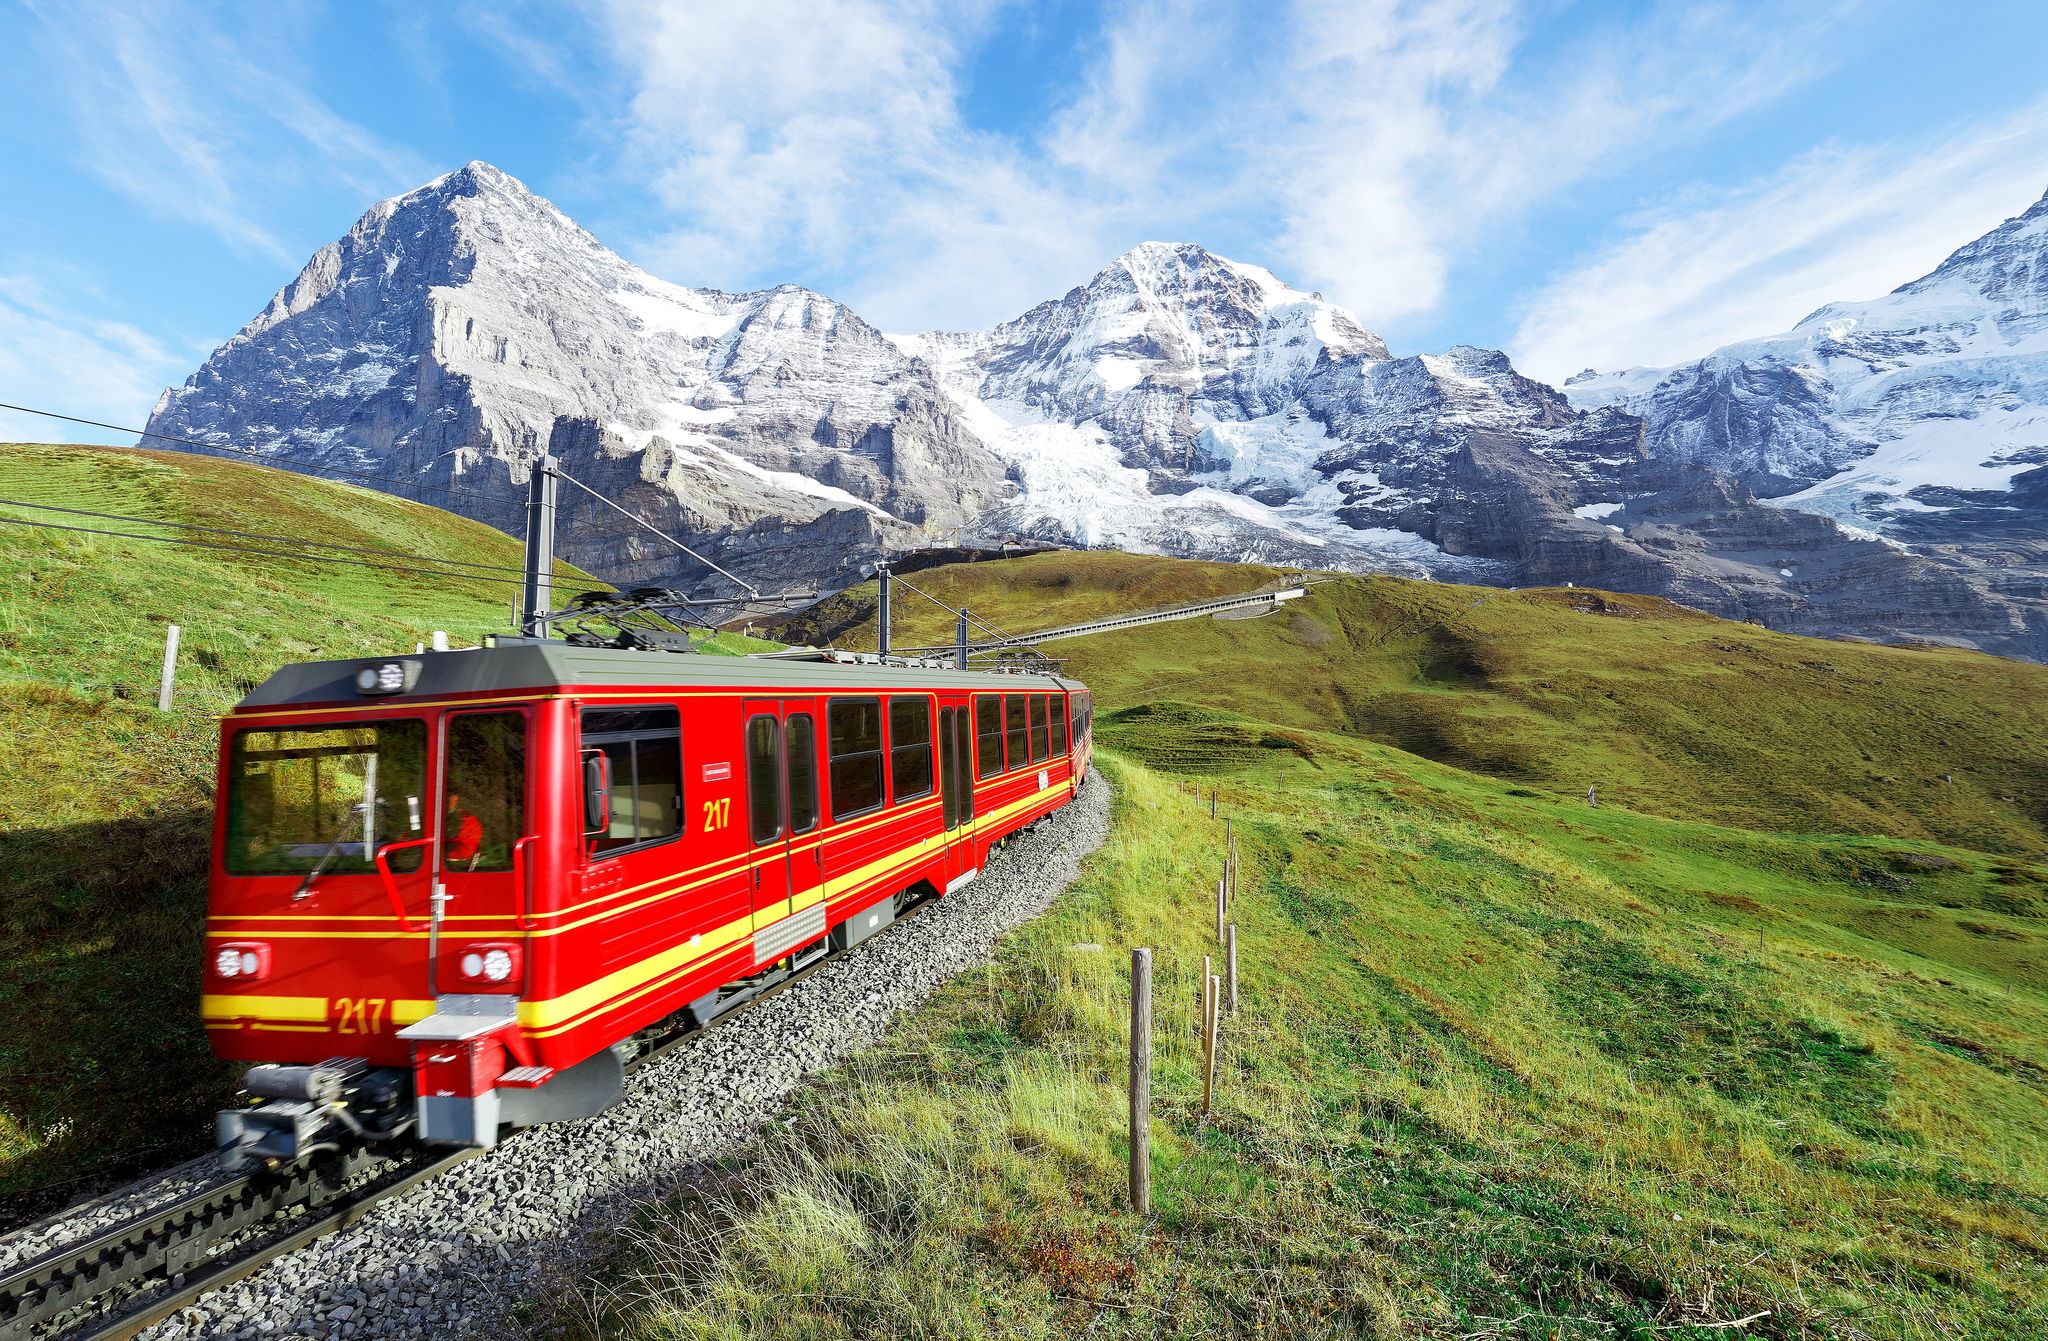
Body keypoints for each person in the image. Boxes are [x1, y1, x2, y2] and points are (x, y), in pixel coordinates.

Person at [445, 790, 483, 864]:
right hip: (462, 851)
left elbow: (455, 836)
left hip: (461, 855)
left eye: (453, 801)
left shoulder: (466, 820)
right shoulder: (465, 817)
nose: (450, 804)